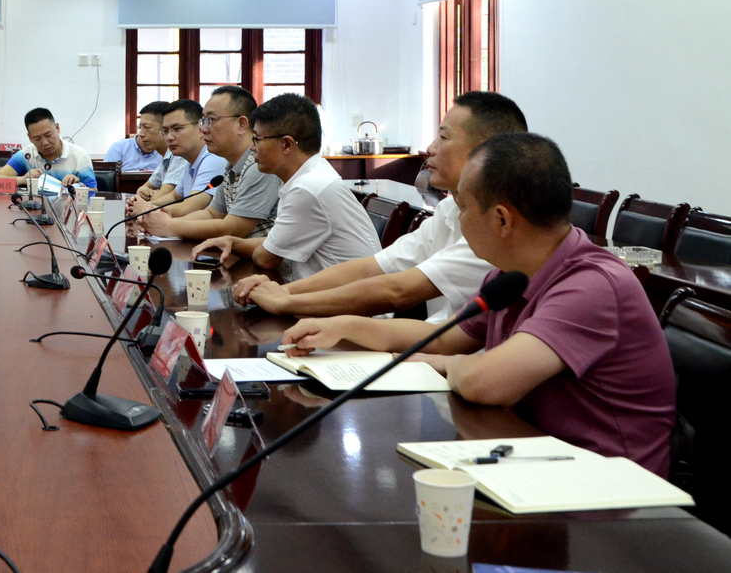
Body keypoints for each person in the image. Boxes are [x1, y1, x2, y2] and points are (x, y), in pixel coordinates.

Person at [281, 133, 676, 476]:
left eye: (464, 207)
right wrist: (344, 326)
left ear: (502, 220)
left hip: (610, 494)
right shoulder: (512, 273)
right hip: (538, 456)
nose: (457, 218)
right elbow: (441, 339)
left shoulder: (592, 286)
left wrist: (443, 364)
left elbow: (485, 382)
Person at [236, 92, 528, 321]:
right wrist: (283, 292)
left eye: (443, 137)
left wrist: (287, 301)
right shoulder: (450, 211)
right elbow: (372, 268)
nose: (430, 148)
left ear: (486, 151)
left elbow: (398, 291)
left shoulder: (498, 229)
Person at [193, 94, 379, 281]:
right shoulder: (309, 175)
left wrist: (243, 246)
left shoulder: (308, 189)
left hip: (348, 297)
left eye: (257, 139)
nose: (252, 147)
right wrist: (233, 243)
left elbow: (266, 258)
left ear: (287, 145)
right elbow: (276, 242)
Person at [135, 87, 280, 241]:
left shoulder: (259, 165)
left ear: (242, 124)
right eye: (203, 121)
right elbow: (212, 213)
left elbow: (235, 228)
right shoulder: (231, 165)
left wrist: (169, 226)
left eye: (211, 120)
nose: (203, 129)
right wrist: (165, 220)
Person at [129, 99, 228, 219]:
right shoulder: (190, 161)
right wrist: (140, 205)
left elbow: (189, 207)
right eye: (165, 131)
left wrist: (145, 209)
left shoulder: (213, 159)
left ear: (200, 129)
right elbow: (174, 196)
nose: (169, 138)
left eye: (177, 129)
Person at [0, 108, 97, 189]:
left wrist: (77, 185)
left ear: (57, 128)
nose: (45, 143)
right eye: (37, 138)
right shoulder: (26, 155)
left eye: (48, 135)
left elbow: (93, 191)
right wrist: (23, 179)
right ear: (30, 138)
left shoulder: (79, 156)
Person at [104, 101, 169, 172]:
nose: (141, 134)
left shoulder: (172, 155)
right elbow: (108, 176)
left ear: (164, 130)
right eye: (140, 127)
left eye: (146, 127)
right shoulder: (119, 149)